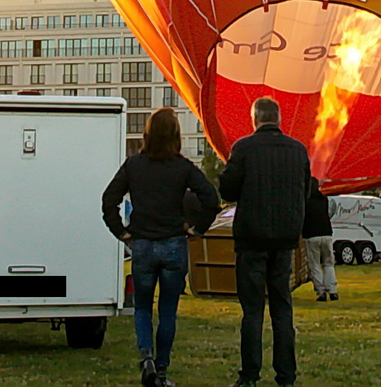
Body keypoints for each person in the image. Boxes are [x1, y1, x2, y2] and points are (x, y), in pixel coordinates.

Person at [102, 106, 220, 387]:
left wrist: (121, 232)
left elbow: (109, 200)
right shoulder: (183, 167)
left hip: (142, 243)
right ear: (175, 135)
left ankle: (146, 358)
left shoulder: (134, 165)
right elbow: (210, 200)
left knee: (142, 307)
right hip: (173, 245)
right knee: (168, 310)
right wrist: (197, 229)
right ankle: (163, 370)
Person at [218, 97, 311, 387]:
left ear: (254, 119)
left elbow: (229, 190)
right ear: (279, 119)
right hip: (284, 239)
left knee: (253, 310)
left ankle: (249, 375)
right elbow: (305, 191)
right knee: (282, 307)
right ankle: (286, 375)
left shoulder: (244, 148)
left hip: (251, 238)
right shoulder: (298, 151)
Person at [302, 178, 337, 302]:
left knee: (314, 264)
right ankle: (332, 290)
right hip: (326, 233)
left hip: (311, 235)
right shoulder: (324, 199)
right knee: (328, 263)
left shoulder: (305, 200)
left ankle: (321, 292)